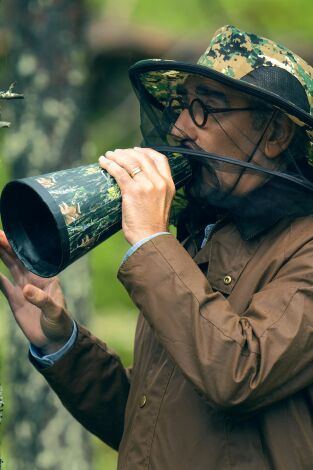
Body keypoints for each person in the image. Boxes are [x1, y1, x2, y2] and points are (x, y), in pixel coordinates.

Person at [1, 25, 313, 469]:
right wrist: (62, 344)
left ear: (276, 134)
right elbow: (154, 420)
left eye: (207, 108)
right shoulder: (200, 236)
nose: (181, 127)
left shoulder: (304, 248)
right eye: (183, 106)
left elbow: (238, 372)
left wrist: (151, 238)